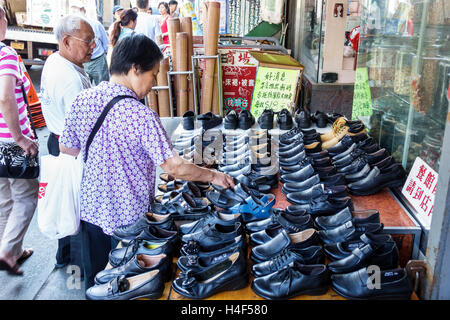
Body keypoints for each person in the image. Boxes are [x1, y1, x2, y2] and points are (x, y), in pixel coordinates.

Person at [59, 34, 235, 288]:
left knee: (99, 282)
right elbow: (174, 167)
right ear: (135, 69)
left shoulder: (82, 100)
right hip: (129, 218)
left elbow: (68, 148)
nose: (154, 83)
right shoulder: (141, 115)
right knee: (129, 284)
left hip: (91, 211)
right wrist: (214, 176)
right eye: (153, 75)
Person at [39, 14, 94, 271]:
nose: (93, 46)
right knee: (75, 206)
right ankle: (78, 265)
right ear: (66, 41)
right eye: (88, 41)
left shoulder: (56, 60)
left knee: (65, 202)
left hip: (57, 139)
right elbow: (83, 128)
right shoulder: (69, 79)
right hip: (69, 146)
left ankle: (66, 256)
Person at [0, 4, 39, 275]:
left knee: (4, 200)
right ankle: (7, 253)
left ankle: (10, 250)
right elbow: (5, 96)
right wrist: (21, 139)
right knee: (26, 196)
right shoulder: (6, 54)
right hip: (10, 142)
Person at [70, 2, 110, 85]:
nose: (75, 14)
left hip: (98, 62)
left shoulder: (96, 25)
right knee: (84, 87)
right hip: (83, 62)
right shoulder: (72, 28)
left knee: (102, 87)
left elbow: (106, 44)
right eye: (73, 11)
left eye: (77, 10)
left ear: (84, 11)